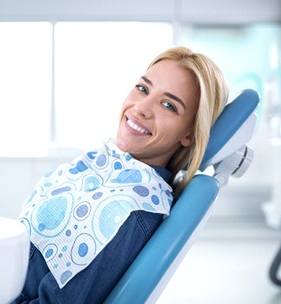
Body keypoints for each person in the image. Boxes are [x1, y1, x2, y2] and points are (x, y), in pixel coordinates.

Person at [13, 46, 228, 304]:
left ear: (190, 134)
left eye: (169, 105)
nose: (141, 109)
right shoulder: (103, 166)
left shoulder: (128, 212)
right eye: (143, 88)